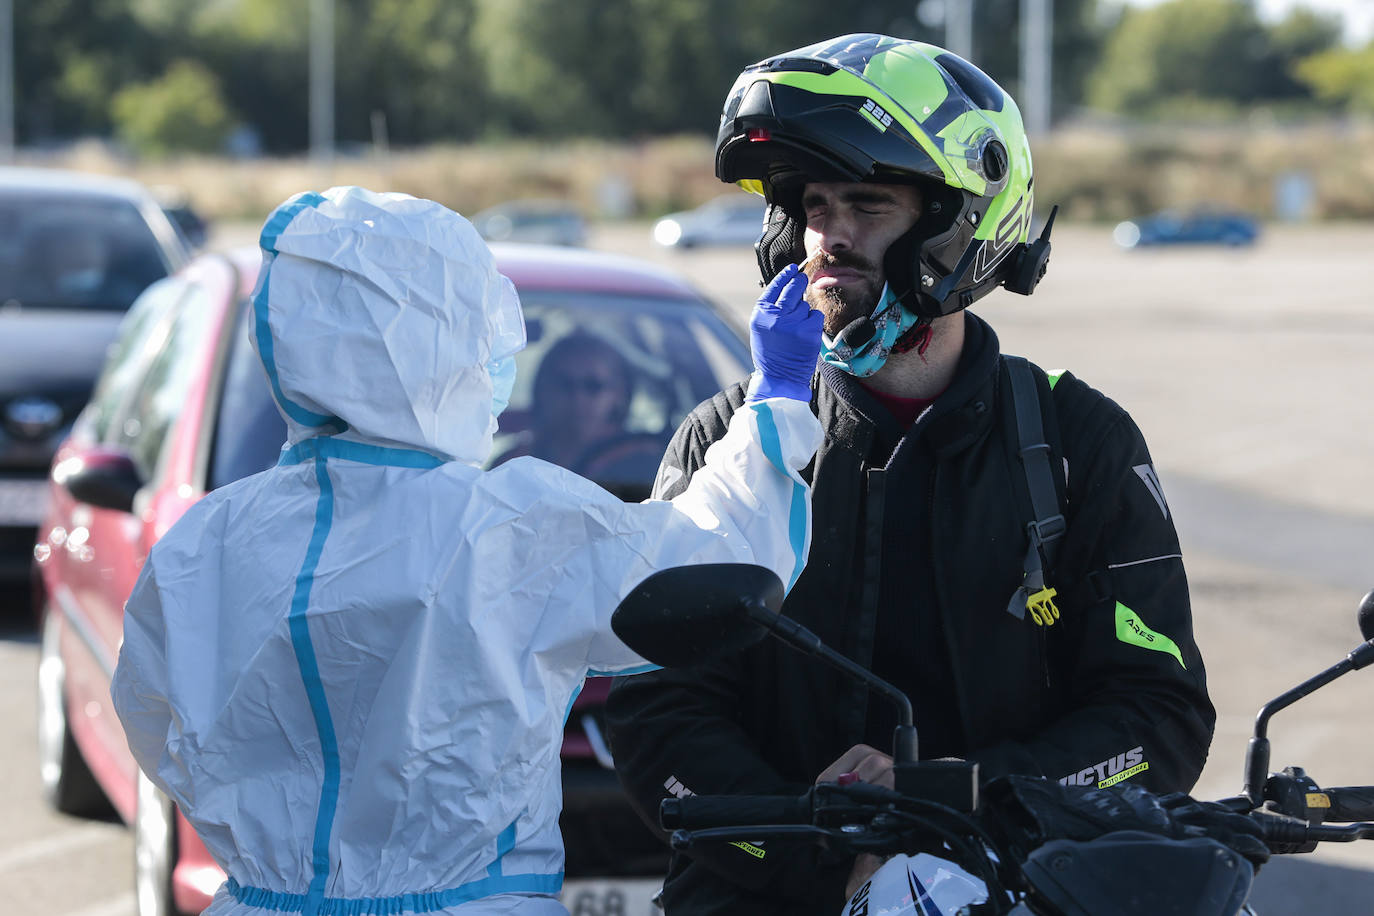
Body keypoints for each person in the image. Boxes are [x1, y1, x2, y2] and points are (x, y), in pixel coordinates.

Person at [604, 34, 1215, 915]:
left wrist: (947, 808)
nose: (828, 239)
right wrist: (824, 851)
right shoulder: (724, 441)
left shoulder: (1081, 444)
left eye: (868, 204)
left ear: (958, 227)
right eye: (813, 206)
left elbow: (1158, 719)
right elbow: (655, 711)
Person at [110, 185, 824, 916]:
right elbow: (719, 561)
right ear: (445, 342)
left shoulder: (208, 539)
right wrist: (776, 398)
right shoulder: (510, 526)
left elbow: (152, 721)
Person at [490, 330, 649, 478]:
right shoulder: (512, 467)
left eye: (593, 386)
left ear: (619, 395)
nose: (577, 397)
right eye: (564, 384)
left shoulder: (646, 464)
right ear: (542, 390)